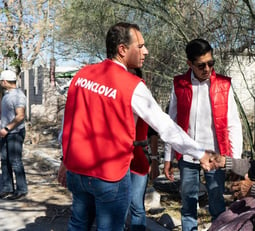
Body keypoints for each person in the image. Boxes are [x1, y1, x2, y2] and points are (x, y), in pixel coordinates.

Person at [57, 22, 214, 231]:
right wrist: (200, 153)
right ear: (122, 49)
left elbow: (67, 124)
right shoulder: (131, 85)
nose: (146, 51)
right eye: (140, 46)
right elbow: (165, 125)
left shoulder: (82, 76)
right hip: (108, 176)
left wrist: (64, 160)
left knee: (77, 224)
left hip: (77, 170)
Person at [163, 38, 243, 231]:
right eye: (201, 65)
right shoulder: (179, 85)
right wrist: (168, 157)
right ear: (189, 63)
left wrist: (236, 161)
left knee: (217, 205)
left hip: (216, 156)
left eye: (211, 63)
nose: (207, 68)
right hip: (188, 156)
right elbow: (170, 123)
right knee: (188, 205)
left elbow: (234, 124)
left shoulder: (224, 85)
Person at [127, 68, 160, 231]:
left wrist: (154, 161)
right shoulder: (118, 99)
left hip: (139, 159)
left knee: (136, 203)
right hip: (119, 158)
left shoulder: (146, 102)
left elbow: (153, 134)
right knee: (119, 203)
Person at [0, 70, 28, 200]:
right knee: (5, 161)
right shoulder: (6, 95)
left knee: (15, 161)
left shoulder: (18, 96)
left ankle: (21, 189)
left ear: (5, 81)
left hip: (15, 133)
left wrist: (7, 128)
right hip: (5, 133)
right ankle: (7, 188)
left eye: (1, 81)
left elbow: (20, 116)